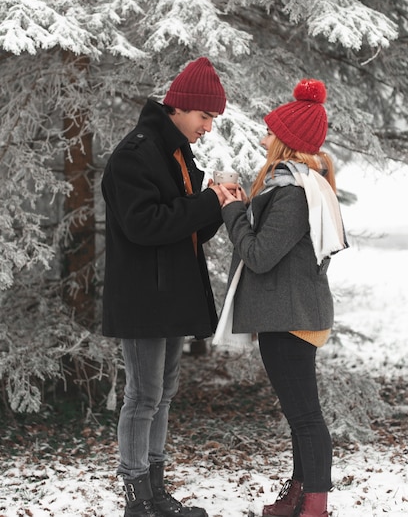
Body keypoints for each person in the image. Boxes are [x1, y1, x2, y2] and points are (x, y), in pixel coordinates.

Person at [101, 57, 233, 517]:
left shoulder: (176, 152)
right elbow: (145, 226)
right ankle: (137, 497)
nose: (209, 128)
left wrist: (216, 203)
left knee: (164, 393)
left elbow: (186, 230)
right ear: (181, 107)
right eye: (205, 116)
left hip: (170, 295)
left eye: (213, 119)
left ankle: (155, 492)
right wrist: (205, 202)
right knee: (143, 396)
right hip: (143, 299)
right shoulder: (135, 154)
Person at [216, 79, 347, 517]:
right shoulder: (297, 185)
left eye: (270, 131)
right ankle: (300, 494)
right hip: (290, 312)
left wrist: (231, 210)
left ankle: (314, 506)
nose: (262, 137)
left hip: (289, 317)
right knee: (299, 414)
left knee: (306, 416)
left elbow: (258, 255)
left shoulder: (293, 193)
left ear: (286, 142)